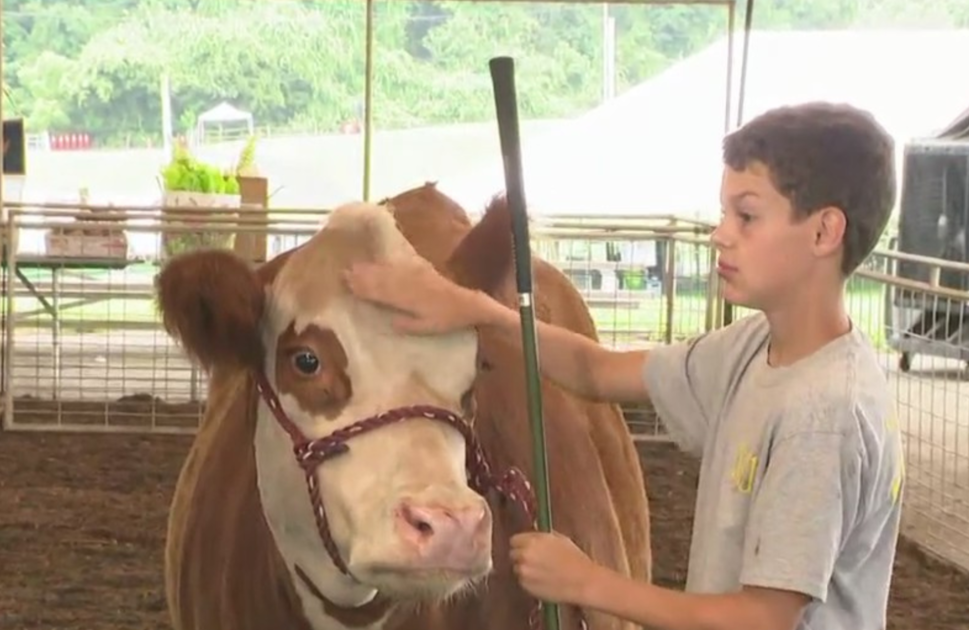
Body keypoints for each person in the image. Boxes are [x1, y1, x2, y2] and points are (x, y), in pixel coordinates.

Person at [343, 101, 905, 630]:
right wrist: (475, 309)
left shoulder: (823, 415)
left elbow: (760, 618)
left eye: (747, 215)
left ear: (824, 231)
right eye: (723, 212)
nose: (720, 234)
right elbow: (596, 371)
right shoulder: (753, 347)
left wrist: (587, 581)